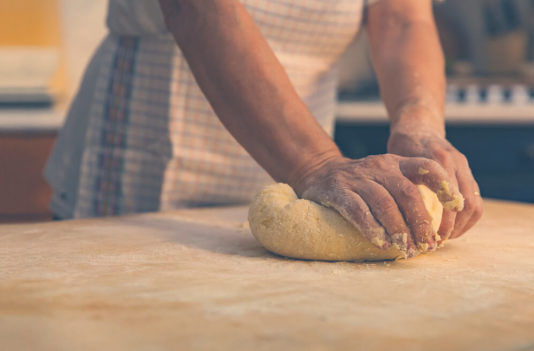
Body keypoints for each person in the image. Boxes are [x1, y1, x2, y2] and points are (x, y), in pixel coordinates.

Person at [45, 0, 482, 254]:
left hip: (303, 171)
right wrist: (317, 162)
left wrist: (419, 120)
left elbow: (404, 17)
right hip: (147, 156)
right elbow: (197, 8)